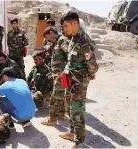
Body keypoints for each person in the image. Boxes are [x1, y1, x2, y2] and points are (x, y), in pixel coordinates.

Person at [59, 11, 99, 148]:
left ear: (74, 23)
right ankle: (71, 132)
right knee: (69, 107)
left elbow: (93, 65)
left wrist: (90, 74)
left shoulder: (83, 41)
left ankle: (79, 141)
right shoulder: (73, 38)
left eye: (65, 26)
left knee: (77, 110)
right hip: (70, 80)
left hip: (79, 83)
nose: (64, 29)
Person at [41, 29, 70, 125]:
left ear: (51, 33)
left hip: (61, 74)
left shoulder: (62, 40)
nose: (47, 40)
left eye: (47, 37)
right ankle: (61, 114)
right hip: (57, 73)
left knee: (55, 95)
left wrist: (65, 72)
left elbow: (69, 55)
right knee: (60, 94)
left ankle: (52, 119)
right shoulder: (56, 42)